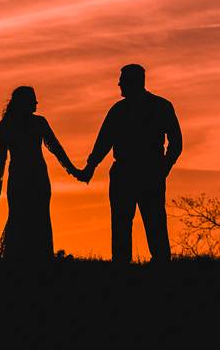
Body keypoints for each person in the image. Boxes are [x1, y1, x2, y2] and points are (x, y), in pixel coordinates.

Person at [78, 64, 182, 263]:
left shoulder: (160, 106)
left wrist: (164, 167)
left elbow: (176, 142)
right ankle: (122, 266)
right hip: (124, 172)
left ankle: (160, 263)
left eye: (123, 80)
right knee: (121, 223)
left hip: (149, 171)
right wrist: (91, 167)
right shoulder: (119, 110)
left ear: (134, 82)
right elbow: (103, 142)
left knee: (154, 221)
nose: (119, 84)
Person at [0, 86, 80, 261]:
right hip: (20, 179)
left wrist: (74, 171)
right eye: (33, 99)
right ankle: (17, 259)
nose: (36, 102)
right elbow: (0, 156)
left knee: (40, 217)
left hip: (38, 178)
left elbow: (56, 148)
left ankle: (40, 258)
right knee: (18, 217)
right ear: (23, 102)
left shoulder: (38, 123)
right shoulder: (7, 126)